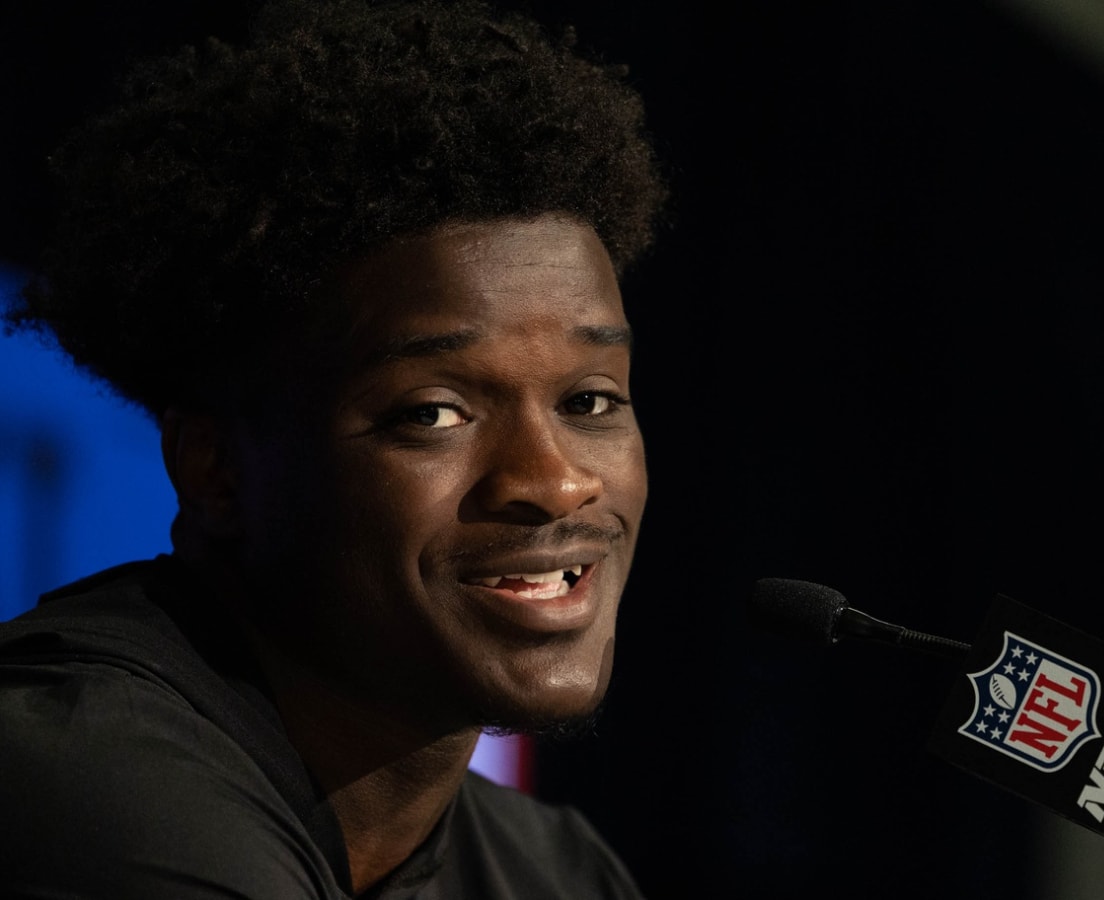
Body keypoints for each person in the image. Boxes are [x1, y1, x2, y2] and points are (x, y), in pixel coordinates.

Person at [0, 0, 667, 895]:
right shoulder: (82, 783)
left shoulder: (552, 871)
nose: (554, 480)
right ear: (216, 469)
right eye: (431, 414)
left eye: (590, 400)